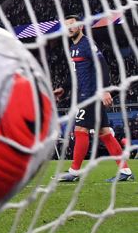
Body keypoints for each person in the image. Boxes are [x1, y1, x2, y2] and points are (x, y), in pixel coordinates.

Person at [54, 15, 132, 182]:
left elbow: (102, 65)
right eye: (66, 25)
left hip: (89, 95)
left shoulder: (87, 44)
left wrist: (105, 90)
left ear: (80, 26)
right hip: (83, 94)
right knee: (104, 133)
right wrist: (64, 88)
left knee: (80, 130)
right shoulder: (72, 47)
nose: (69, 28)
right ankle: (125, 171)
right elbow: (74, 72)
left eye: (72, 25)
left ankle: (74, 172)